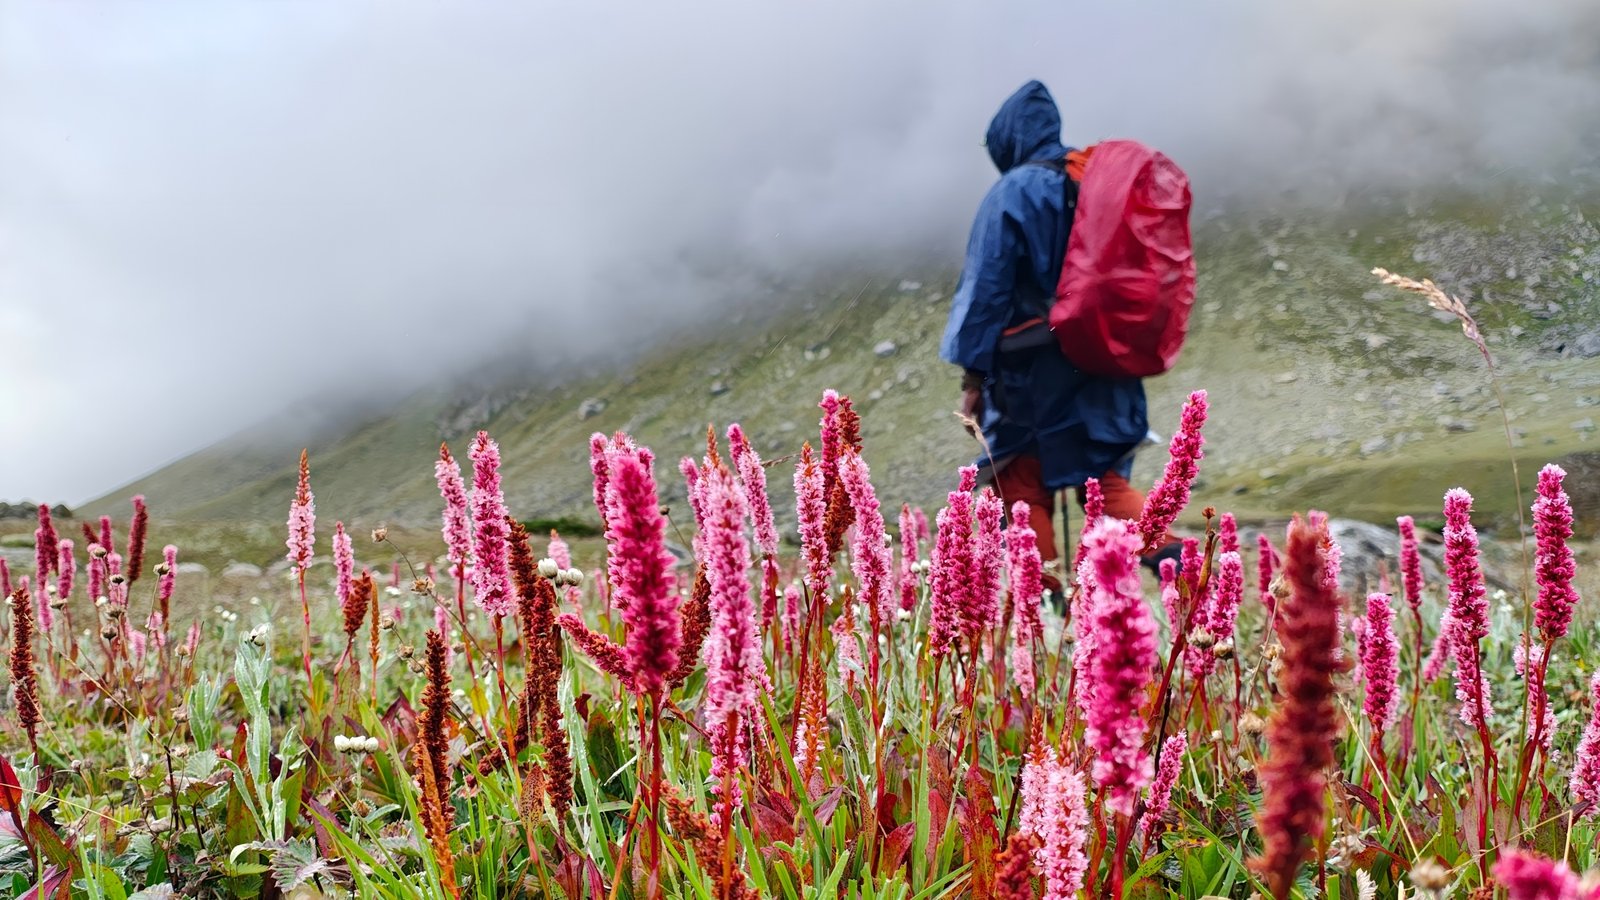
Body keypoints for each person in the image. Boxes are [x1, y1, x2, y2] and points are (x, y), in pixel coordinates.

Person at [940, 80, 1181, 591]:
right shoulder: (1094, 179)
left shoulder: (1012, 192)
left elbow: (986, 290)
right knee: (1108, 482)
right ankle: (1195, 581)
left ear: (1008, 139)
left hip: (1032, 371)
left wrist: (973, 378)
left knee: (1023, 492)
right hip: (1105, 356)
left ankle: (1045, 623)